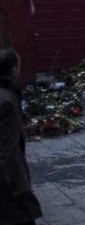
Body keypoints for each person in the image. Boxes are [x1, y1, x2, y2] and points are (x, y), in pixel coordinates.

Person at [0, 49, 42, 225]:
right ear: (14, 70)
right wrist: (22, 190)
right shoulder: (7, 102)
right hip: (8, 189)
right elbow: (9, 151)